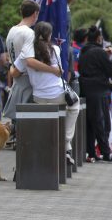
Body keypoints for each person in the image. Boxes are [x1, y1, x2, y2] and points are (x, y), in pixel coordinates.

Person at [10, 22, 77, 163]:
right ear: (49, 35)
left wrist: (12, 66)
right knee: (74, 106)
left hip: (38, 97)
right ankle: (66, 142)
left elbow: (14, 73)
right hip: (58, 95)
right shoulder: (55, 49)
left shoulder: (26, 53)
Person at [78, 26, 112, 163]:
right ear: (99, 38)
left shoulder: (83, 51)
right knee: (102, 123)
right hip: (99, 91)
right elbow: (110, 71)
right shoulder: (100, 52)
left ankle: (91, 152)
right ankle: (106, 153)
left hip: (85, 89)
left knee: (90, 124)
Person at [3, 0, 40, 121]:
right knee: (27, 124)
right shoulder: (29, 33)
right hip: (26, 80)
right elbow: (28, 60)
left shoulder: (11, 31)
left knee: (18, 124)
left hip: (16, 81)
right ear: (35, 14)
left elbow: (10, 58)